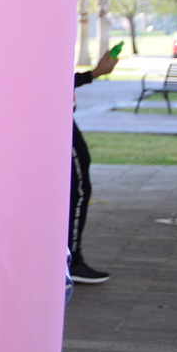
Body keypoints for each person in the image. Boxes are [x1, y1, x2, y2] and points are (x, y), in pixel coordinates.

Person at [70, 49, 118, 284]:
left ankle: (66, 259)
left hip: (59, 117)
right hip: (53, 120)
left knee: (76, 186)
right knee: (78, 189)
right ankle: (72, 261)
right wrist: (94, 74)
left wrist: (95, 73)